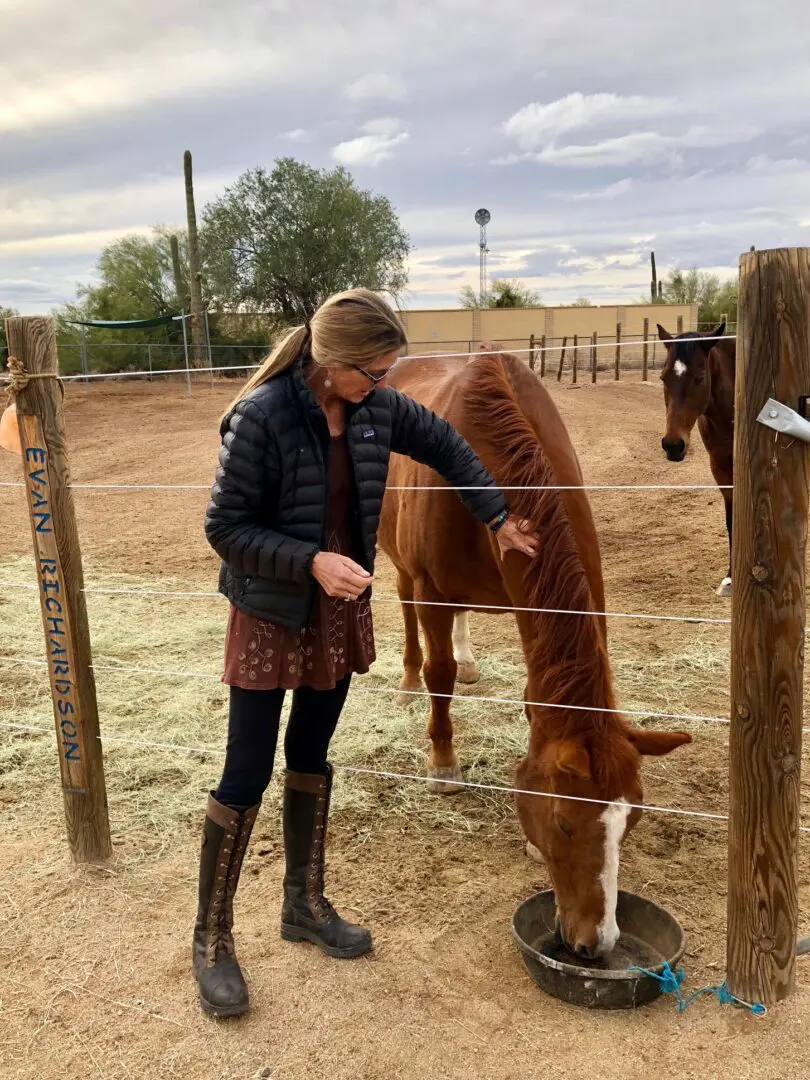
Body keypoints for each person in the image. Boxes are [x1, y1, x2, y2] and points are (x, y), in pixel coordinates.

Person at [195, 288, 538, 1018]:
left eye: (387, 375)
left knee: (313, 755)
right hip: (269, 610)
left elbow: (445, 443)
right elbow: (224, 529)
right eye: (372, 374)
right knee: (245, 769)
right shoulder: (261, 416)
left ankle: (304, 904)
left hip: (337, 612)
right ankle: (213, 938)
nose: (382, 387)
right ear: (332, 361)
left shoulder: (377, 407)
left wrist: (498, 514)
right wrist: (311, 561)